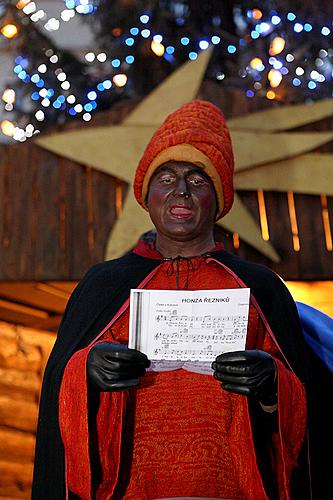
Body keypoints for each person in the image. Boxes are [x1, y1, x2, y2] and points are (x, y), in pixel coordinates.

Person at [32, 100, 331, 500]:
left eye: (198, 179)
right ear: (147, 194)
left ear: (219, 198)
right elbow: (58, 388)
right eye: (167, 177)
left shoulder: (260, 288)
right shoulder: (103, 284)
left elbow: (312, 411)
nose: (182, 190)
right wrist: (86, 370)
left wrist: (274, 385)